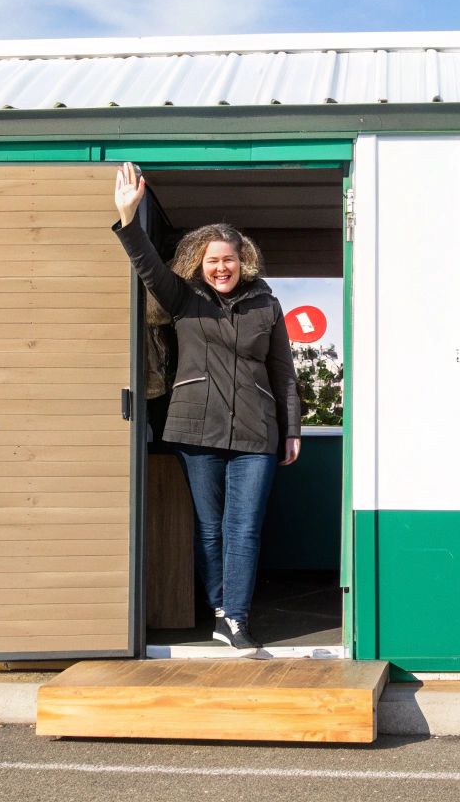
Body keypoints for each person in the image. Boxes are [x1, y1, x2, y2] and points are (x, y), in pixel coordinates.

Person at [112, 162, 301, 656]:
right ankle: (221, 611)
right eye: (213, 260)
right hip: (196, 431)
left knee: (244, 528)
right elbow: (149, 267)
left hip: (257, 434)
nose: (221, 268)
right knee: (210, 528)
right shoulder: (184, 299)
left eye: (229, 259)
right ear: (200, 262)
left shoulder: (266, 305)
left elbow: (283, 372)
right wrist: (129, 219)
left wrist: (292, 428)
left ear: (243, 261)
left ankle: (237, 618)